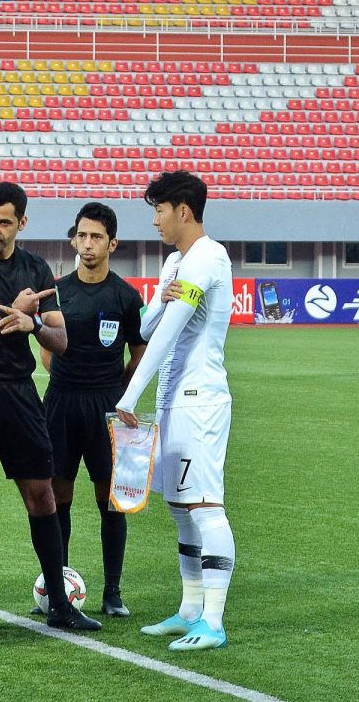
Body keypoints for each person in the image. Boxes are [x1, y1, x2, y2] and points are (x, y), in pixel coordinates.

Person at [0, 182, 102, 634]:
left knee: (42, 494)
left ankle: (59, 604)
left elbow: (61, 340)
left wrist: (31, 322)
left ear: (22, 223)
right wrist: (1, 318)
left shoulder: (35, 269)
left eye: (5, 222)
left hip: (19, 392)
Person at [115, 171, 236, 652]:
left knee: (206, 506)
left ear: (183, 210)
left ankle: (214, 620)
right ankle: (189, 609)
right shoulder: (175, 262)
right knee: (181, 507)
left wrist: (129, 396)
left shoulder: (208, 258)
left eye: (159, 210)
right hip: (173, 401)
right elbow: (147, 324)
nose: (155, 219)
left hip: (200, 400)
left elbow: (168, 333)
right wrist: (161, 296)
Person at [39, 202, 145, 617]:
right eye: (81, 235)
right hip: (61, 402)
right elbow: (46, 345)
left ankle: (112, 592)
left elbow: (139, 353)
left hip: (106, 407)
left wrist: (115, 393)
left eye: (96, 236)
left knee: (109, 499)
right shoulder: (57, 291)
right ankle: (57, 590)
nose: (87, 244)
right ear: (73, 239)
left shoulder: (124, 295)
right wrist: (66, 378)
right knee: (56, 497)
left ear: (112, 243)